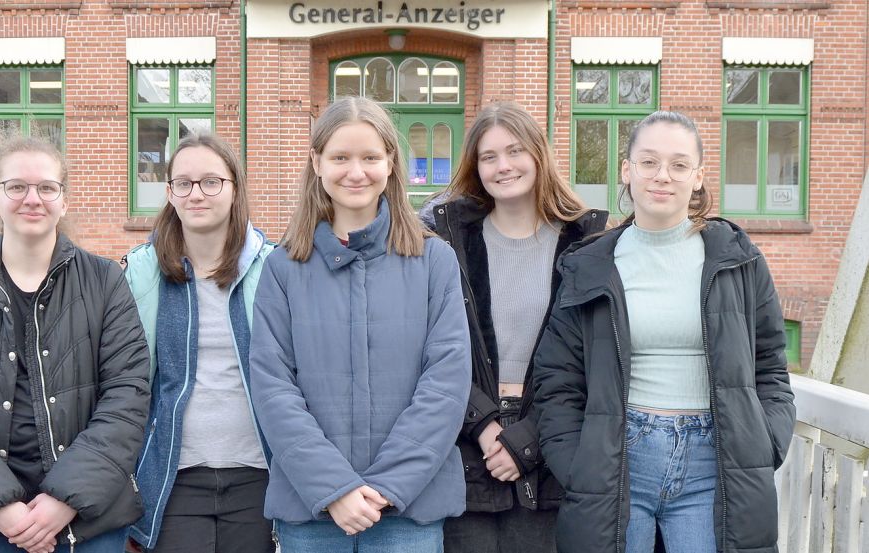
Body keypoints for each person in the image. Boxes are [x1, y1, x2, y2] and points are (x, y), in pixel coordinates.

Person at [532, 111, 795, 553]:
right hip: (617, 461)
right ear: (627, 170)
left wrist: (763, 443)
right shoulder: (589, 264)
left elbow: (770, 366)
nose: (662, 177)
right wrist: (578, 464)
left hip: (715, 462)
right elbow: (557, 377)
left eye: (678, 165)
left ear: (697, 177)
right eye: (649, 162)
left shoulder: (739, 260)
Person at [248, 96, 472, 553]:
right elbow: (273, 388)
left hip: (409, 512)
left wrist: (387, 486)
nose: (356, 172)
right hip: (312, 513)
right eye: (340, 158)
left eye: (370, 157)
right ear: (317, 163)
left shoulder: (434, 262)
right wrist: (335, 489)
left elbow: (445, 384)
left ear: (391, 162)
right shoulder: (283, 268)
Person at [0, 137, 151, 553]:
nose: (32, 199)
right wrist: (1, 506)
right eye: (16, 187)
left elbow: (127, 396)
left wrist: (64, 500)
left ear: (63, 200)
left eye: (46, 187)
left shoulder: (104, 282)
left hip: (90, 520)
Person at [426, 102, 607, 553]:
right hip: (466, 448)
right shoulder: (447, 246)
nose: (503, 166)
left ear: (538, 156)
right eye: (489, 157)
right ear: (476, 167)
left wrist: (526, 440)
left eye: (514, 151)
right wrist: (486, 427)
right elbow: (430, 350)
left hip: (553, 448)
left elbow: (593, 360)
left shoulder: (585, 247)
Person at [123, 133, 275, 553]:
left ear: (234, 189)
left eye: (211, 181)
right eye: (183, 183)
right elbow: (127, 383)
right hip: (174, 475)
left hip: (258, 471)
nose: (197, 194)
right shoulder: (141, 273)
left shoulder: (273, 268)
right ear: (169, 193)